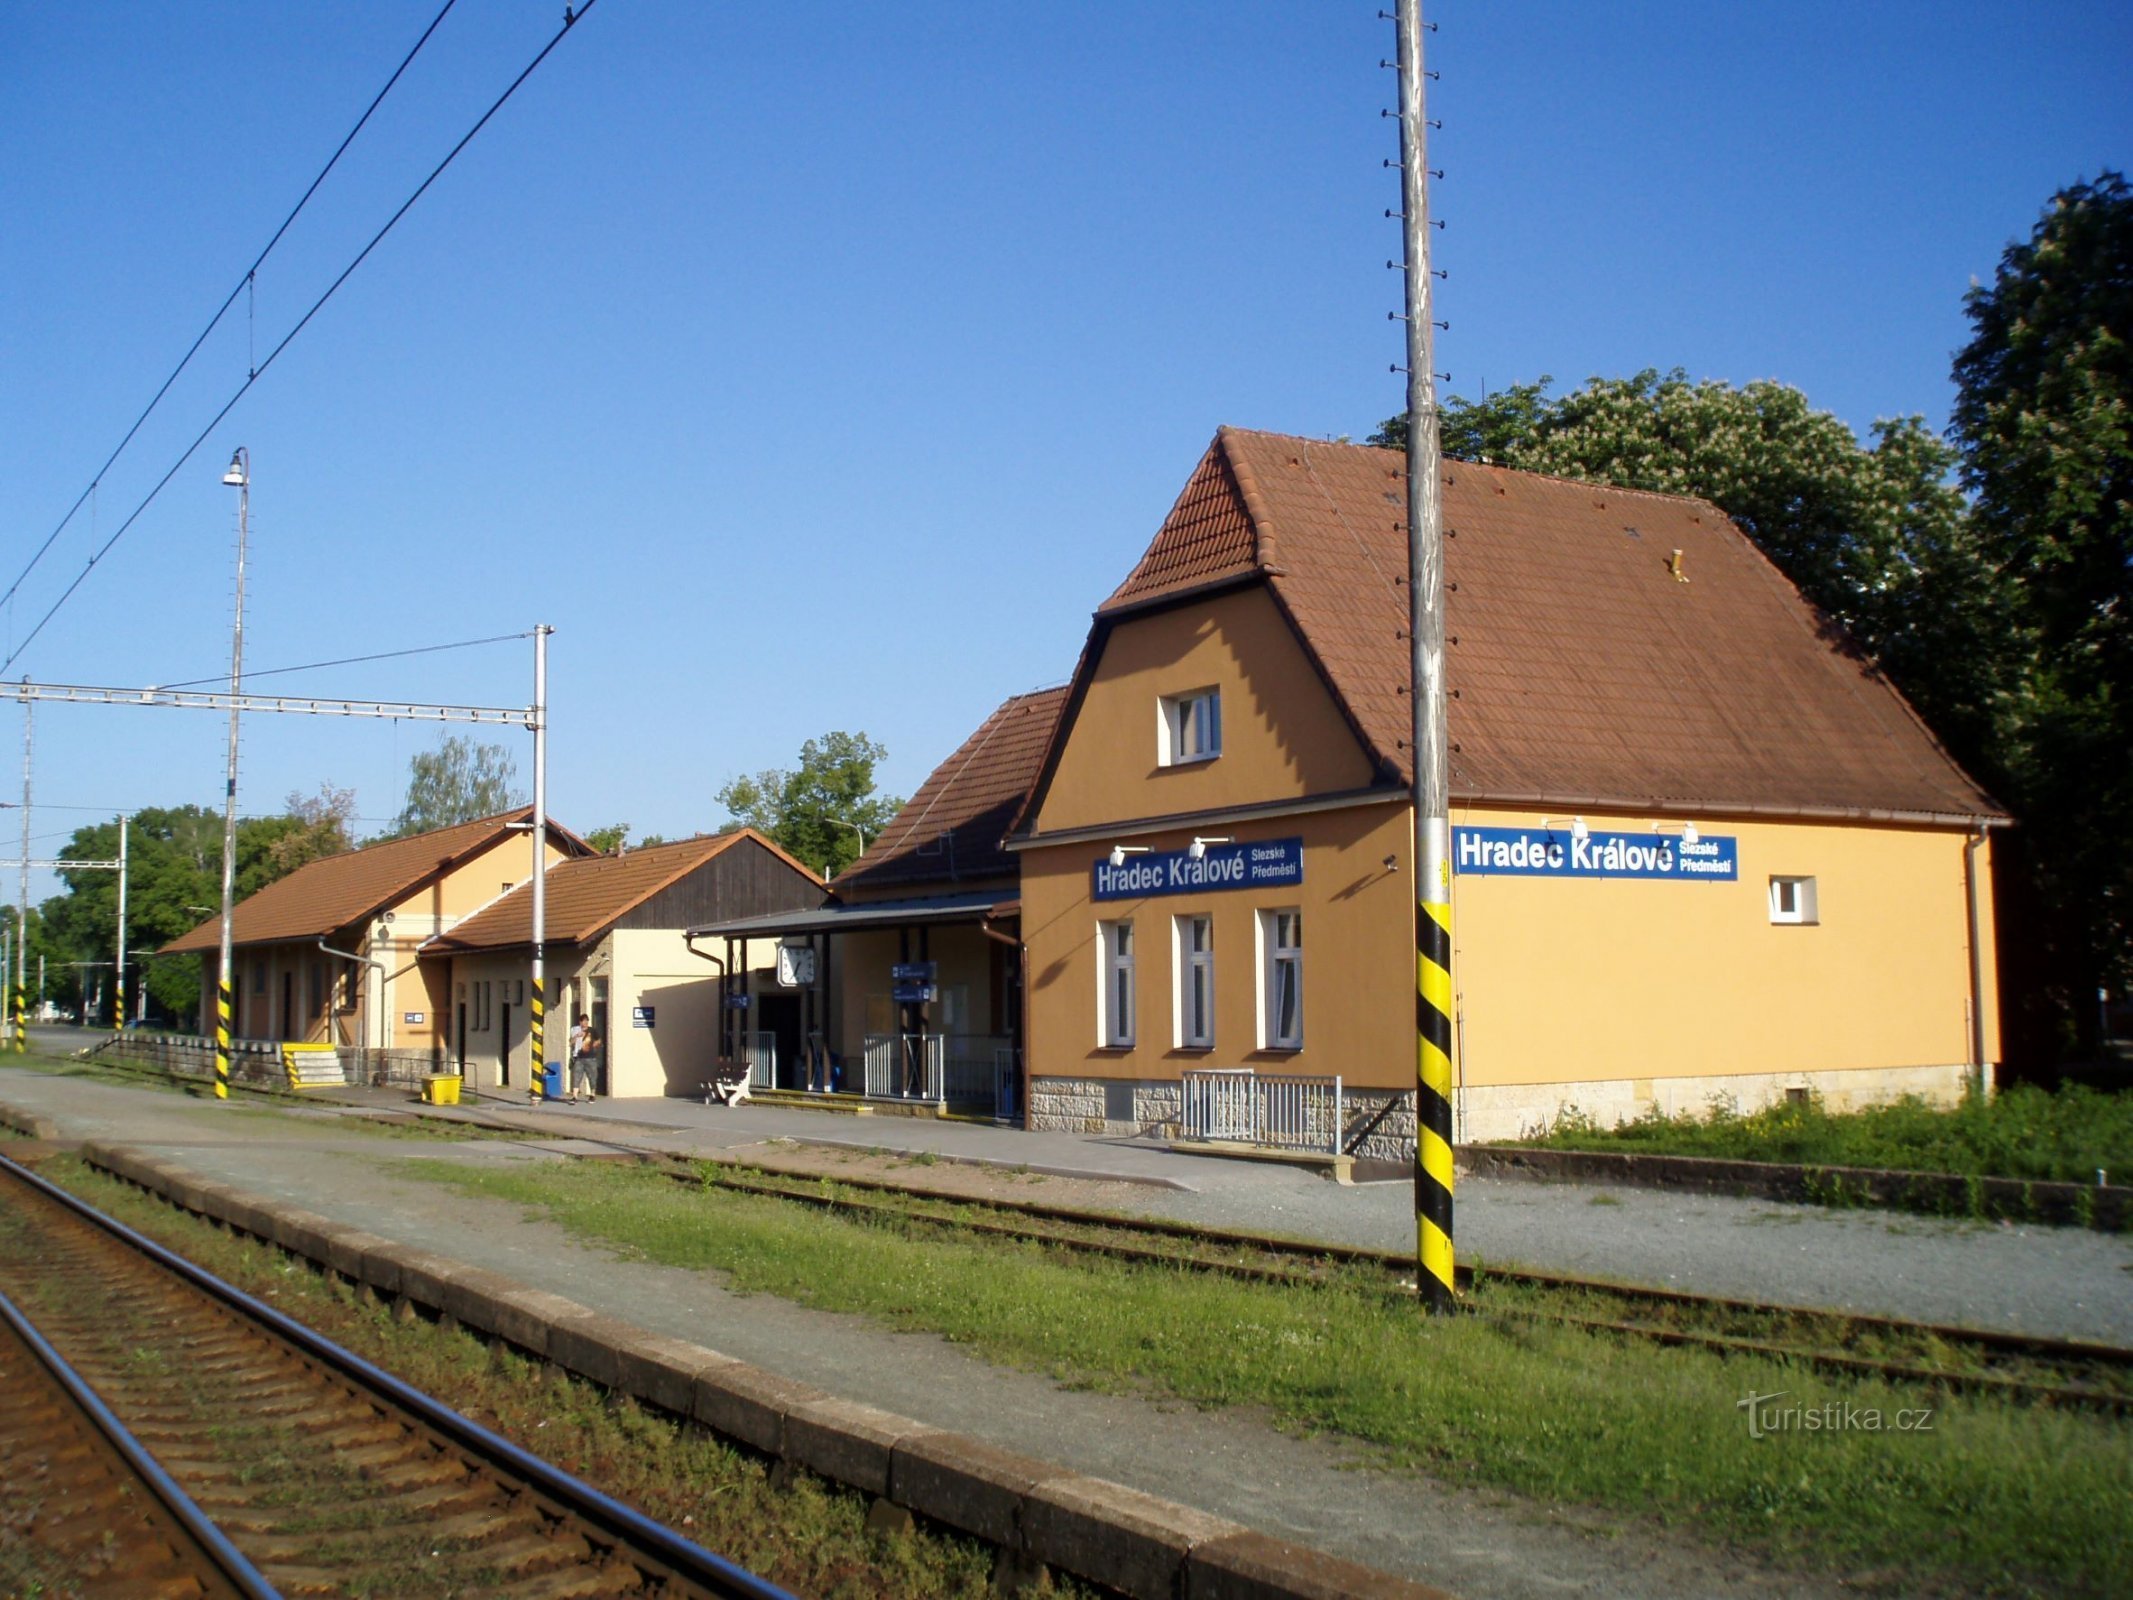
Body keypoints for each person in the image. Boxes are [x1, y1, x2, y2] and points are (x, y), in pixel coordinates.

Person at [569, 1014, 598, 1103]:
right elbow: (570, 1043)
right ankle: (574, 1096)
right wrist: (577, 1036)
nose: (585, 1023)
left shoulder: (592, 1030)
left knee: (592, 1076)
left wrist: (594, 1047)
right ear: (580, 1022)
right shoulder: (575, 1030)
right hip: (579, 1057)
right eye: (583, 1021)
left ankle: (592, 1095)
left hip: (590, 1057)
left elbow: (598, 1040)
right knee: (576, 1076)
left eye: (586, 1021)